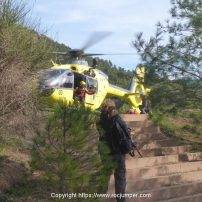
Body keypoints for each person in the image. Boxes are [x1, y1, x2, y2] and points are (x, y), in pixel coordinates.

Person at [97, 100, 134, 202]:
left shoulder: (100, 121)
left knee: (105, 176)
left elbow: (102, 135)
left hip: (105, 153)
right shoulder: (117, 119)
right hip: (117, 153)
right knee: (120, 178)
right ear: (113, 107)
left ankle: (98, 197)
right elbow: (126, 133)